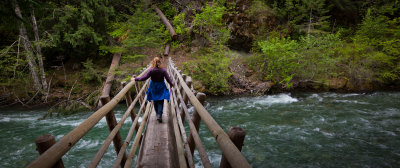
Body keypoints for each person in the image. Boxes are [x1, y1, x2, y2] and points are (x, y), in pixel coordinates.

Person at [132, 57, 173, 123]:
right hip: (161, 86)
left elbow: (144, 78)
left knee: (155, 100)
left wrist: (136, 79)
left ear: (153, 62)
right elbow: (168, 78)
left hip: (153, 86)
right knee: (161, 101)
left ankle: (157, 114)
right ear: (160, 62)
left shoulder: (151, 70)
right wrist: (171, 84)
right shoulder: (163, 70)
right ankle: (159, 115)